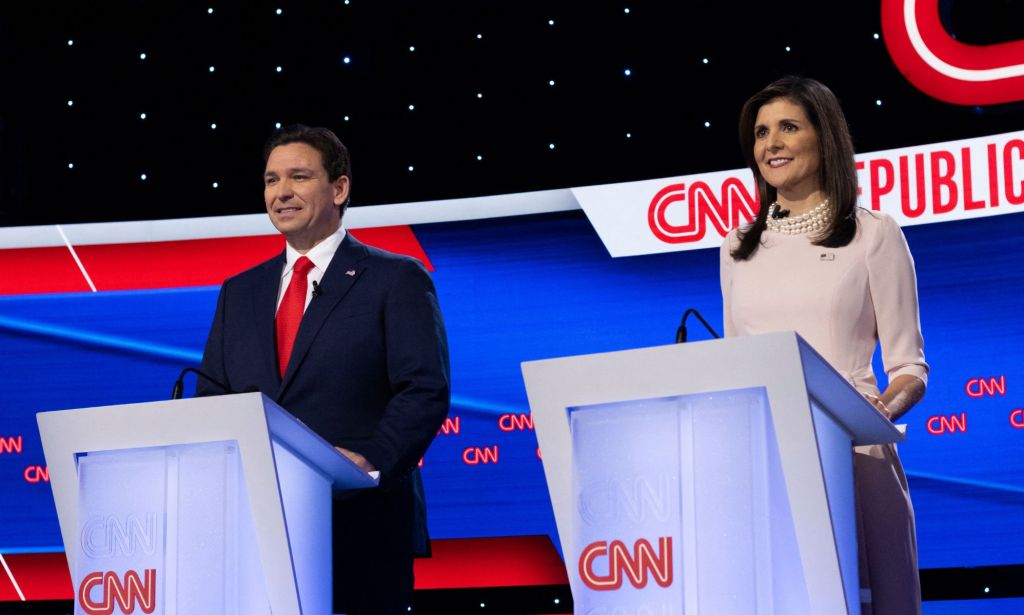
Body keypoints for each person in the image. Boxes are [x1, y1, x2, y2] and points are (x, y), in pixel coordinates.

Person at [198, 124, 450, 615]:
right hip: (259, 532)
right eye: (271, 180)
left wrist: (369, 460)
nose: (281, 193)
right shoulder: (239, 291)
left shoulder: (395, 278)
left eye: (298, 177)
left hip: (360, 527)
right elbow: (212, 399)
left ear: (339, 188)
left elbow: (424, 389)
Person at [720, 76, 927, 615]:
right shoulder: (736, 246)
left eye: (788, 127)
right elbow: (732, 363)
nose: (771, 144)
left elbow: (909, 367)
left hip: (853, 454)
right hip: (765, 461)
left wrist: (879, 409)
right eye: (761, 133)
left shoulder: (873, 234)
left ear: (825, 137)